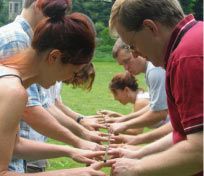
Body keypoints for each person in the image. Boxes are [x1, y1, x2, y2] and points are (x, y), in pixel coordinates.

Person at [0, 0, 107, 175]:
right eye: (73, 72)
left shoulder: (10, 76)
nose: (67, 80)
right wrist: (73, 173)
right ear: (54, 57)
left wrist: (71, 151)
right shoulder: (14, 93)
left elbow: (15, 145)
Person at [106, 0, 203, 175]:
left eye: (133, 45)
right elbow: (182, 134)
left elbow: (199, 152)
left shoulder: (186, 57)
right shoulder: (192, 41)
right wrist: (139, 153)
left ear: (150, 28)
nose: (135, 53)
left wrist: (136, 168)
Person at [106, 38, 168, 135]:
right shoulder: (150, 70)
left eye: (127, 61)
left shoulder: (154, 71)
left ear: (137, 50)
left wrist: (125, 125)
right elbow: (153, 107)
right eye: (122, 64)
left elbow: (160, 113)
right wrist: (122, 119)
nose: (126, 68)